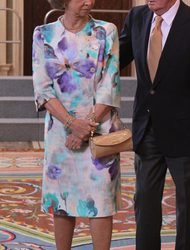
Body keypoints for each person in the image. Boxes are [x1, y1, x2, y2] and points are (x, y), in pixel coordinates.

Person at [120, 0, 190, 249]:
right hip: (147, 129)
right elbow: (114, 59)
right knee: (144, 206)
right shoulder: (137, 17)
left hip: (188, 132)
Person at [32, 0, 121, 249]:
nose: (89, 1)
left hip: (99, 129)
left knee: (101, 200)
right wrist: (72, 124)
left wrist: (86, 126)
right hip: (61, 131)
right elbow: (42, 89)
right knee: (62, 200)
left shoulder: (106, 31)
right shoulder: (43, 34)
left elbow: (109, 85)